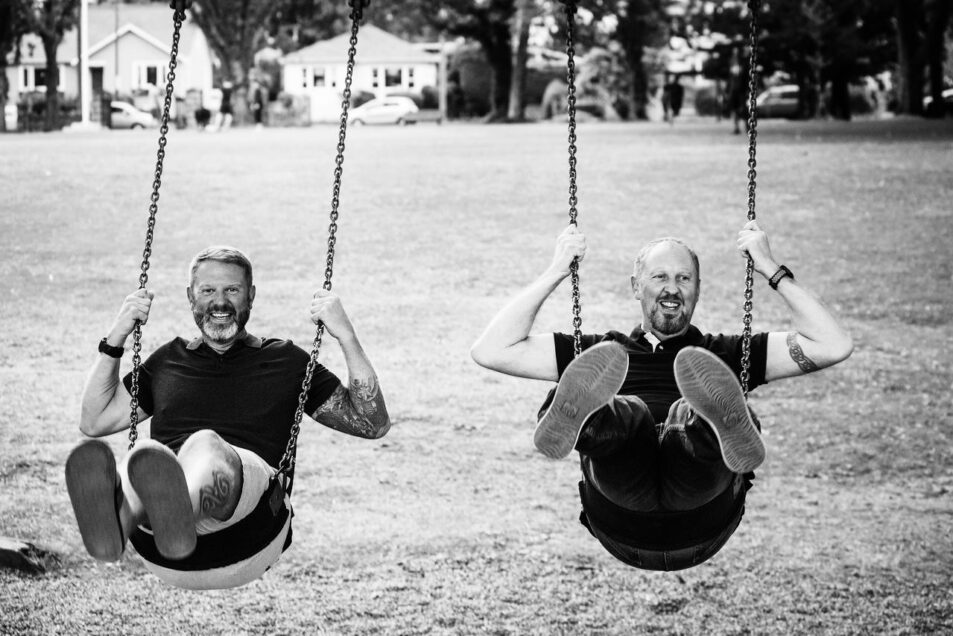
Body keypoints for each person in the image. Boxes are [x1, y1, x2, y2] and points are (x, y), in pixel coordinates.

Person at [470, 222, 852, 571]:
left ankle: (707, 420)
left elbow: (833, 344)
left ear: (698, 290)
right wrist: (556, 269)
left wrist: (770, 267)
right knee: (629, 416)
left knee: (687, 415)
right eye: (660, 276)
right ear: (636, 286)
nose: (673, 287)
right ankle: (591, 418)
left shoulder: (723, 355)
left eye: (684, 278)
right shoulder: (602, 354)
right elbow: (492, 350)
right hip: (623, 514)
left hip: (700, 515)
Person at [66, 246, 391, 588]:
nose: (219, 302)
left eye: (232, 290)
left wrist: (346, 335)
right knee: (146, 461)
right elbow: (94, 421)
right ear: (190, 297)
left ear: (251, 296)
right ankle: (123, 517)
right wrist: (117, 335)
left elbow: (372, 423)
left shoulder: (287, 361)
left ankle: (169, 508)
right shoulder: (166, 361)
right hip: (159, 549)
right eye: (208, 290)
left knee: (203, 446)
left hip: (248, 532)